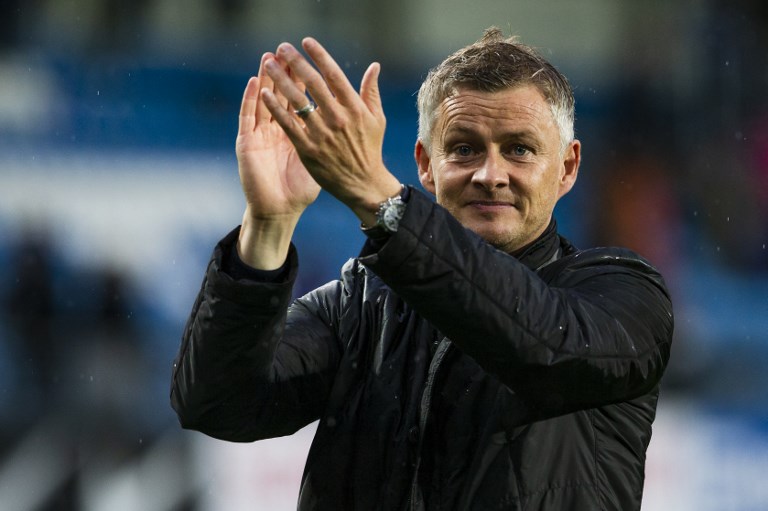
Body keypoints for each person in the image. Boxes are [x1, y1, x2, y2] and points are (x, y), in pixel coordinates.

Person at [171, 28, 673, 510]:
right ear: (425, 165)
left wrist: (382, 201)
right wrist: (267, 225)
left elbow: (544, 348)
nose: (489, 174)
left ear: (567, 167)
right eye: (464, 149)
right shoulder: (359, 305)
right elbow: (217, 402)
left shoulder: (625, 292)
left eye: (519, 150)